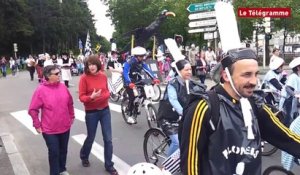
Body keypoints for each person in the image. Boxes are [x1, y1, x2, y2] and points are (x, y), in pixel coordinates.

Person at [180, 48, 300, 175]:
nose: (254, 81)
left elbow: (285, 137)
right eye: (247, 75)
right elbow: (190, 164)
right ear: (226, 76)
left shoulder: (255, 105)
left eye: (256, 74)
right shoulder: (205, 107)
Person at [28, 65, 74, 175]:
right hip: (49, 129)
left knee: (63, 151)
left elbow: (70, 103)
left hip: (64, 126)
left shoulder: (63, 87)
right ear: (48, 76)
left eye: (59, 73)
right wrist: (37, 124)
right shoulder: (41, 90)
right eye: (57, 74)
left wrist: (71, 116)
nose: (59, 75)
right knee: (54, 152)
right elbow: (33, 109)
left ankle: (62, 169)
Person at [78, 55, 119, 175]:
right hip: (91, 112)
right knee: (91, 137)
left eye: (93, 64)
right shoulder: (84, 78)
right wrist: (91, 97)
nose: (91, 67)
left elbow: (106, 91)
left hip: (105, 110)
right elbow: (81, 97)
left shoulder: (103, 75)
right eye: (89, 64)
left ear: (98, 64)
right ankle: (84, 155)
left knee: (108, 139)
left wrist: (101, 96)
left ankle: (109, 165)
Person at [157, 59, 192, 156]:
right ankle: (167, 167)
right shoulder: (172, 84)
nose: (189, 72)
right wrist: (184, 113)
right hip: (168, 118)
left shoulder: (191, 83)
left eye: (190, 69)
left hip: (183, 117)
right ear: (179, 71)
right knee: (177, 142)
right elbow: (173, 100)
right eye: (186, 70)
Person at [122, 46, 160, 124]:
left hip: (137, 80)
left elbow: (148, 70)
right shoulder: (129, 63)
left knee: (144, 92)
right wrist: (129, 83)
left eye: (143, 56)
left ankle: (137, 106)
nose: (142, 57)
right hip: (128, 82)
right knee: (133, 97)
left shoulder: (141, 63)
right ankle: (129, 114)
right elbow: (125, 73)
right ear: (135, 56)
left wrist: (154, 78)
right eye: (141, 56)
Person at [280, 57, 300, 126]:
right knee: (288, 120)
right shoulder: (293, 76)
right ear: (298, 68)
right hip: (288, 101)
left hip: (293, 101)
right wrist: (295, 95)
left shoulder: (297, 76)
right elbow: (287, 88)